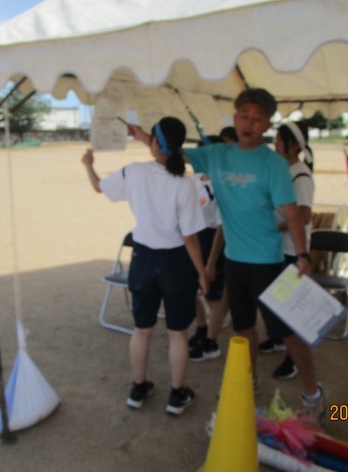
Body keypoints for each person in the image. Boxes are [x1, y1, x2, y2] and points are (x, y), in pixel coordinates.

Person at [130, 89, 326, 422]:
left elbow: (294, 213)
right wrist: (143, 136)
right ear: (235, 118)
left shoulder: (273, 164)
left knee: (287, 332)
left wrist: (304, 254)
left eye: (258, 118)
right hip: (234, 260)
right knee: (243, 327)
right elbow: (171, 149)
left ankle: (313, 395)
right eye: (244, 115)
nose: (249, 123)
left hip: (268, 261)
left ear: (267, 125)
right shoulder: (216, 154)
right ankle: (249, 382)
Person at [82, 116, 209, 416]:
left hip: (143, 260)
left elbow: (99, 187)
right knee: (178, 333)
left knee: (142, 329)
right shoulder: (185, 184)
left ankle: (138, 388)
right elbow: (190, 238)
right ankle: (177, 395)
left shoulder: (134, 172)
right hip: (176, 263)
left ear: (153, 143)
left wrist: (88, 164)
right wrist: (202, 274)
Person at [259, 121, 315, 381]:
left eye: (279, 139)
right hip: (278, 247)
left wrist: (274, 226)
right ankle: (278, 339)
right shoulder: (284, 170)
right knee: (276, 300)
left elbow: (303, 216)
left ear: (293, 145)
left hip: (292, 249)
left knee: (290, 306)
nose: (275, 143)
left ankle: (293, 359)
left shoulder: (300, 175)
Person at [188, 156, 229, 362]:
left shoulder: (221, 185)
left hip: (213, 242)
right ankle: (201, 328)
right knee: (190, 289)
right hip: (193, 240)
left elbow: (222, 228)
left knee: (214, 298)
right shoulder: (193, 180)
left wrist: (211, 264)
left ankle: (211, 343)